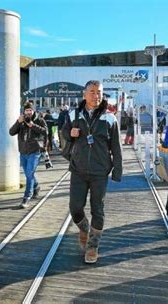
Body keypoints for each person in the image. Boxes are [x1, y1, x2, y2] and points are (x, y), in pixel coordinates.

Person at [62, 80, 122, 264]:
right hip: (78, 169)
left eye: (99, 92)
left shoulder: (109, 118)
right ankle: (84, 228)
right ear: (84, 94)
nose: (96, 96)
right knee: (75, 207)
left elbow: (116, 147)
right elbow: (64, 134)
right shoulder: (74, 114)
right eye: (92, 92)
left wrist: (117, 171)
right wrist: (68, 134)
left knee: (98, 209)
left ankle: (93, 246)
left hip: (99, 171)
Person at [9, 101, 48, 208]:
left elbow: (45, 132)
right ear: (24, 111)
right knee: (28, 174)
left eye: (30, 110)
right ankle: (36, 186)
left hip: (35, 151)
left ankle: (26, 198)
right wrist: (18, 122)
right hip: (23, 151)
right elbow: (11, 132)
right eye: (27, 110)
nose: (29, 112)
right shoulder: (21, 121)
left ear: (33, 111)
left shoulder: (39, 120)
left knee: (29, 174)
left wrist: (33, 126)